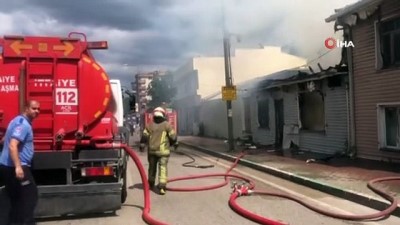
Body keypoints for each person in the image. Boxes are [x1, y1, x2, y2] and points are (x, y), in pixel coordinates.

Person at [0, 100, 40, 225]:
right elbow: (13, 145)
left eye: (38, 109)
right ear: (26, 108)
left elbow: (4, 140)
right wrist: (18, 167)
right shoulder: (23, 125)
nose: (37, 111)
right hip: (17, 166)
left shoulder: (16, 120)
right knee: (30, 197)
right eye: (34, 108)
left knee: (16, 200)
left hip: (7, 166)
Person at [139, 107, 177, 195]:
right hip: (163, 152)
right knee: (162, 168)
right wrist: (174, 143)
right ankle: (162, 187)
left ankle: (150, 183)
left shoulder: (149, 125)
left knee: (152, 168)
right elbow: (173, 137)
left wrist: (142, 145)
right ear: (163, 114)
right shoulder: (167, 125)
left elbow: (144, 137)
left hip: (152, 151)